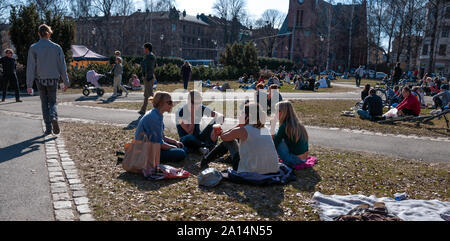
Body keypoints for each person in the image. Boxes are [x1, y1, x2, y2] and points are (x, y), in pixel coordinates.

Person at [200, 102, 279, 174]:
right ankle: (210, 160)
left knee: (229, 142)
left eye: (242, 113)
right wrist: (240, 126)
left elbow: (224, 138)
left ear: (248, 117)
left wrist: (221, 132)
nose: (239, 115)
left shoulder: (243, 130)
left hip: (251, 171)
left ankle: (205, 160)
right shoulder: (264, 129)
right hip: (273, 169)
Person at [26, 24, 70, 135]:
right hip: (53, 79)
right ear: (49, 33)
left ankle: (48, 128)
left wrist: (29, 84)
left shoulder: (33, 48)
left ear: (38, 34)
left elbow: (31, 67)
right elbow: (62, 66)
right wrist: (66, 82)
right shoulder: (57, 47)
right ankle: (53, 116)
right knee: (53, 101)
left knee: (44, 103)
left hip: (40, 79)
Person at [135, 91, 186, 163]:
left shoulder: (158, 114)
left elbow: (162, 136)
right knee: (181, 153)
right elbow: (159, 144)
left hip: (152, 146)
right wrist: (174, 147)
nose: (172, 105)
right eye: (169, 102)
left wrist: (175, 142)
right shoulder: (153, 117)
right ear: (161, 103)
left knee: (182, 147)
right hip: (146, 151)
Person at [176, 90, 224, 155]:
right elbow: (189, 131)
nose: (198, 105)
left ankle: (206, 146)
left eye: (199, 102)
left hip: (198, 137)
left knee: (216, 121)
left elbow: (217, 115)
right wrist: (192, 114)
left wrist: (218, 123)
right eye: (196, 102)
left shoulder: (200, 108)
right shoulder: (181, 112)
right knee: (189, 137)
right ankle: (206, 146)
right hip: (186, 139)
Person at [271, 101, 309, 168]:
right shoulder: (297, 123)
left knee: (277, 140)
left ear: (283, 112)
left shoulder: (284, 126)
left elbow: (274, 144)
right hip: (304, 159)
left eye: (277, 111)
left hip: (294, 160)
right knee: (278, 135)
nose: (275, 113)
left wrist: (272, 126)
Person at [139, 42, 157, 115]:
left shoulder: (150, 57)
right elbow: (155, 66)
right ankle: (143, 109)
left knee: (150, 94)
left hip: (148, 77)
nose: (143, 49)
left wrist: (147, 76)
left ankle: (157, 109)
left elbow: (149, 67)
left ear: (147, 48)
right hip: (148, 76)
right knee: (146, 94)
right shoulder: (149, 56)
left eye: (144, 48)